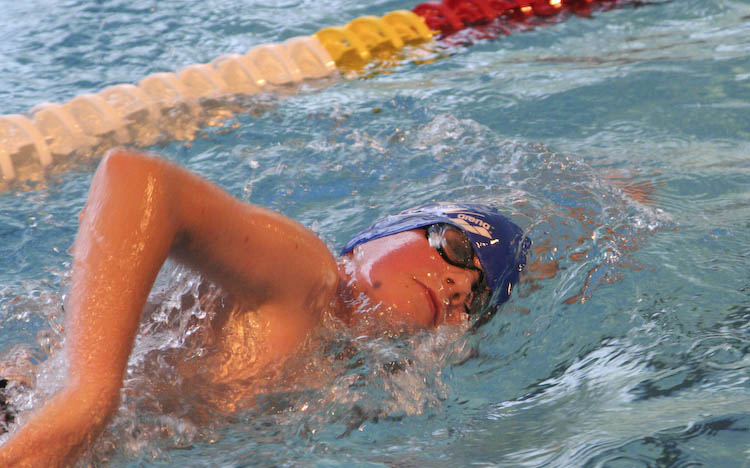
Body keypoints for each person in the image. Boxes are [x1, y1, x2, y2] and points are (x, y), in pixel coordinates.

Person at [0, 148, 529, 467]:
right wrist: (89, 394)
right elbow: (137, 178)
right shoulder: (310, 277)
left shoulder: (361, 380)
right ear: (383, 234)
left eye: (477, 299)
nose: (460, 285)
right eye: (456, 247)